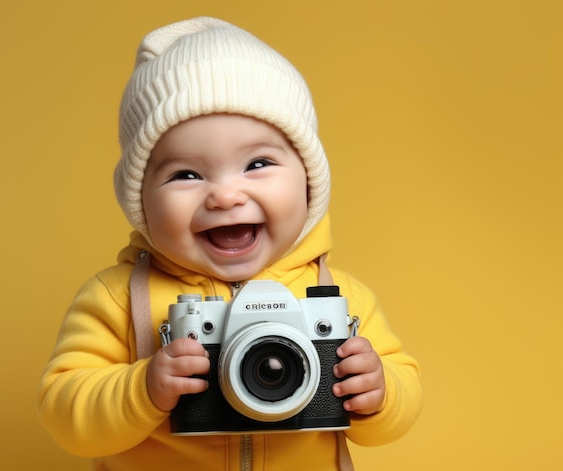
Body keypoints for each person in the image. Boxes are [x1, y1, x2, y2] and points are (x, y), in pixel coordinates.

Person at [37, 16, 422, 470]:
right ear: (139, 199)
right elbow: (64, 414)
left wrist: (378, 392)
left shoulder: (336, 297)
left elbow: (399, 404)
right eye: (186, 174)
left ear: (309, 180)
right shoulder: (116, 300)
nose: (224, 195)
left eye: (257, 163)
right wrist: (143, 389)